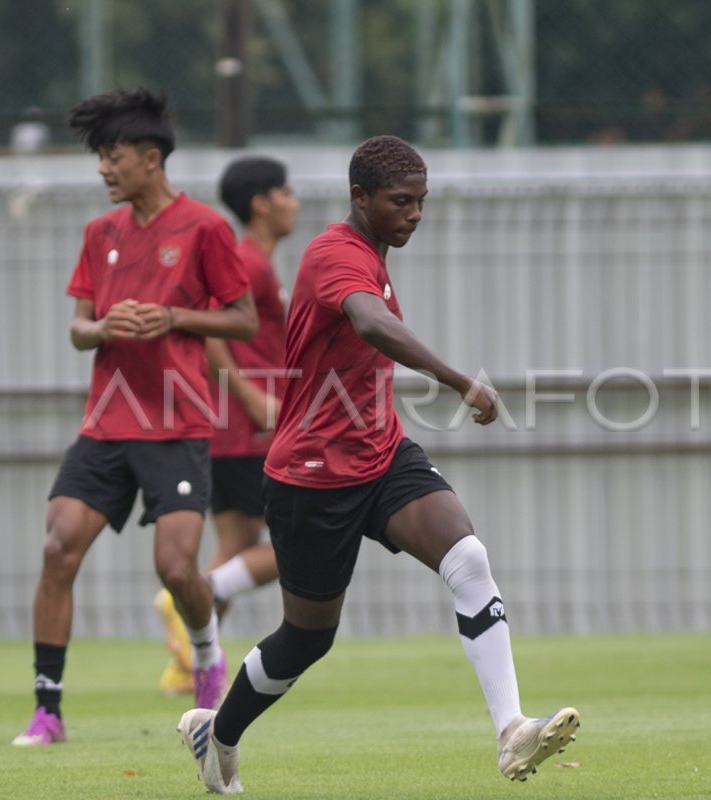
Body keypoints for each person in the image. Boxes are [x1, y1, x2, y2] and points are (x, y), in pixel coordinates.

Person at [175, 135, 580, 794]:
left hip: (383, 454)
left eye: (421, 201)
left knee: (469, 558)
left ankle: (512, 733)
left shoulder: (374, 254)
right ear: (359, 198)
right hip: (311, 475)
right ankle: (216, 733)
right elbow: (367, 322)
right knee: (307, 639)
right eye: (401, 201)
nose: (414, 214)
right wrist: (457, 380)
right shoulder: (335, 253)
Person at [12, 87, 259, 746]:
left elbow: (244, 318)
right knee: (58, 545)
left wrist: (173, 317)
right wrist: (103, 327)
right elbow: (77, 329)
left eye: (112, 156)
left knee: (177, 569)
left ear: (151, 158)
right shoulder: (100, 234)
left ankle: (206, 658)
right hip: (105, 422)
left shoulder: (205, 229)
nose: (102, 169)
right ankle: (47, 710)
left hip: (176, 424)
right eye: (99, 157)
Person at [156, 156, 297, 695]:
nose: (295, 202)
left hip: (235, 430)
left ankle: (189, 659)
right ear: (260, 203)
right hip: (246, 431)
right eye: (286, 192)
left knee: (239, 541)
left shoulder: (259, 260)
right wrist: (253, 397)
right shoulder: (249, 262)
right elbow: (212, 335)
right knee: (301, 544)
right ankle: (189, 594)